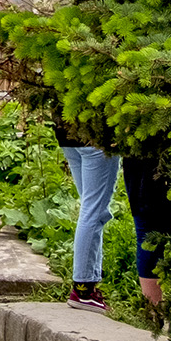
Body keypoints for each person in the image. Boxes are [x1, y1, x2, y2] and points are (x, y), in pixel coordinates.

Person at [57, 120, 117, 310]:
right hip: (98, 136)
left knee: (89, 208)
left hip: (67, 132)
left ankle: (87, 282)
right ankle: (83, 288)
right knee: (94, 211)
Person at [123, 154, 171, 311]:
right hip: (161, 164)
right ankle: (157, 310)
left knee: (146, 234)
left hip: (137, 160)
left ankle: (152, 311)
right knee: (151, 232)